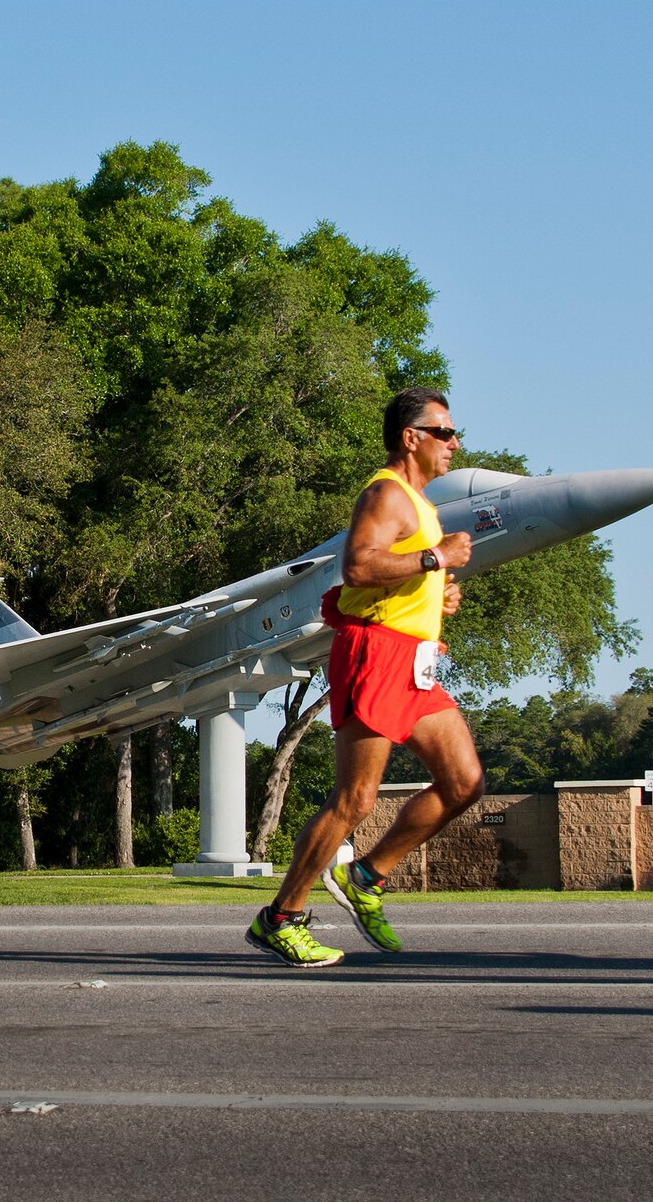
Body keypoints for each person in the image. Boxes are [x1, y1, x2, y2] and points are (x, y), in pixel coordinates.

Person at [246, 387, 480, 967]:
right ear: (412, 438)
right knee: (355, 799)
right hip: (375, 655)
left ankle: (368, 876)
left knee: (464, 783)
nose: (455, 443)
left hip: (413, 660)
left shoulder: (421, 505)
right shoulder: (387, 493)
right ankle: (282, 918)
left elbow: (389, 575)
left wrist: (434, 593)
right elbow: (358, 564)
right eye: (445, 433)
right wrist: (436, 560)